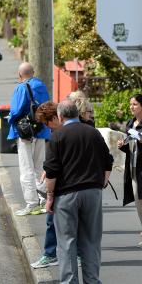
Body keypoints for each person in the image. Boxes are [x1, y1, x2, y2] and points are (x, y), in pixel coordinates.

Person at [44, 100, 113, 284]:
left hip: (66, 195)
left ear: (60, 116)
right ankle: (92, 280)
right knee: (91, 241)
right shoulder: (93, 133)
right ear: (77, 114)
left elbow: (51, 171)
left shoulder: (57, 136)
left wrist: (49, 196)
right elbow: (108, 161)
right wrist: (102, 183)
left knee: (67, 243)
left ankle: (69, 281)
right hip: (92, 192)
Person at [8, 62, 50, 215]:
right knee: (40, 167)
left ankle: (31, 203)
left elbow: (16, 111)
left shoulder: (21, 88)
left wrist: (10, 119)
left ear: (20, 75)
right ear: (33, 72)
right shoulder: (42, 85)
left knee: (26, 169)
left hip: (26, 133)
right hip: (42, 131)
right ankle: (43, 199)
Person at [30, 101, 60, 270]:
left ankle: (51, 255)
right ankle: (50, 254)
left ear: (55, 118)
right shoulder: (55, 133)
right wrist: (46, 170)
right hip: (60, 182)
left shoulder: (60, 134)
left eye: (46, 122)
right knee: (52, 221)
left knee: (56, 219)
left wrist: (49, 195)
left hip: (64, 186)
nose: (46, 127)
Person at [117, 93, 142, 244]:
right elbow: (131, 148)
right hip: (133, 169)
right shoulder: (130, 123)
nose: (131, 107)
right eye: (130, 104)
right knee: (138, 201)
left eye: (134, 104)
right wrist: (123, 146)